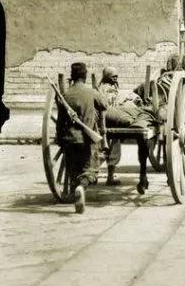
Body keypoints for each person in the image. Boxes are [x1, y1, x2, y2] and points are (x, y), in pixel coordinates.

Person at [56, 62, 108, 214]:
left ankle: (77, 192)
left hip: (69, 140)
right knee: (90, 171)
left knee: (73, 171)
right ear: (85, 76)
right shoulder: (90, 92)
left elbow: (60, 122)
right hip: (87, 139)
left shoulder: (65, 95)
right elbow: (104, 105)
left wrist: (60, 140)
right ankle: (81, 188)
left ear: (72, 77)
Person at [97, 66, 140, 185]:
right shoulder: (105, 89)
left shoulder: (111, 88)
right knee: (109, 148)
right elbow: (109, 105)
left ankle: (101, 176)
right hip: (108, 121)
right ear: (107, 77)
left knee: (106, 149)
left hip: (107, 121)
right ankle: (107, 176)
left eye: (116, 76)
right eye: (113, 76)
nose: (115, 78)